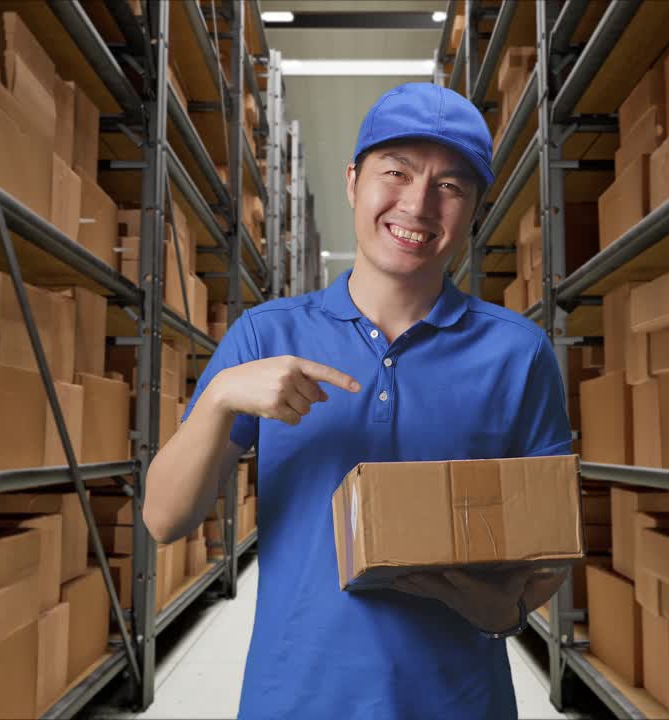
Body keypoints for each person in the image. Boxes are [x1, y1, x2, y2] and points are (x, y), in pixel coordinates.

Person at [143, 82, 572, 720]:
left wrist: (507, 611)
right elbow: (163, 520)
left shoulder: (518, 353)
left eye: (450, 186)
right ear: (352, 182)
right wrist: (221, 398)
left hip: (458, 702)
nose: (418, 204)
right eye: (396, 172)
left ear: (474, 209)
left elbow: (551, 542)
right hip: (295, 701)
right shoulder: (265, 337)